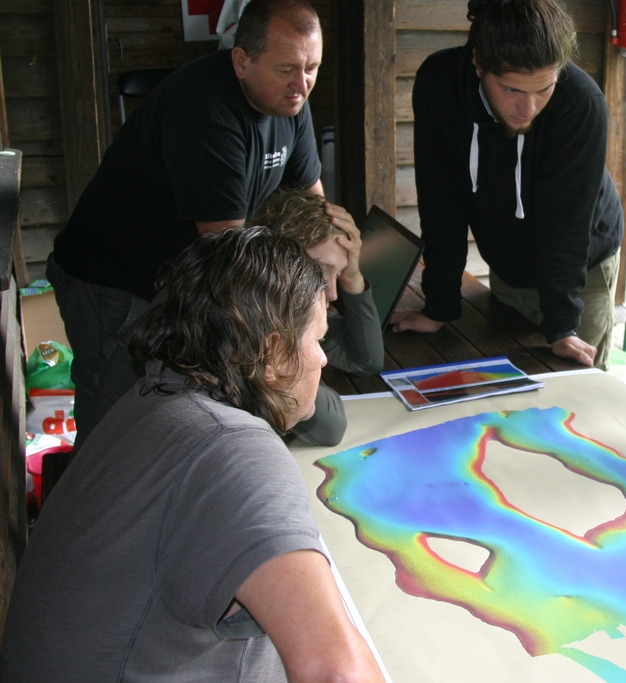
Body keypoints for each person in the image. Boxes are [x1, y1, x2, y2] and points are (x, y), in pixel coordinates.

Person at [0, 227, 386, 682]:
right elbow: (336, 672)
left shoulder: (153, 395)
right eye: (317, 340)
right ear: (273, 353)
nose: (322, 360)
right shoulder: (233, 446)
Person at [46, 0, 348, 451]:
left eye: (312, 68)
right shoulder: (205, 110)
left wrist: (329, 268)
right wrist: (299, 318)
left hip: (181, 276)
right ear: (242, 61)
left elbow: (312, 204)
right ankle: (91, 492)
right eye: (287, 69)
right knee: (112, 416)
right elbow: (229, 254)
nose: (301, 83)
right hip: (115, 279)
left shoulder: (289, 99)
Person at [391, 0, 624, 370]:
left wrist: (563, 326)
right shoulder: (440, 83)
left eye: (544, 89)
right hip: (508, 262)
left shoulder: (580, 104)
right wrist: (438, 307)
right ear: (478, 63)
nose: (527, 109)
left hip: (581, 267)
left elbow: (566, 226)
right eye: (512, 90)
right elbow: (440, 202)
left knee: (572, 383)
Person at [251, 189, 385, 446]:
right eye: (322, 270)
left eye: (338, 273)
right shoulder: (258, 319)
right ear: (281, 262)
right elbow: (330, 428)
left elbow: (364, 362)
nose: (332, 294)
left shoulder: (286, 301)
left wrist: (352, 277)